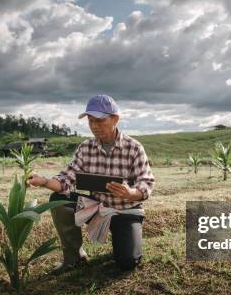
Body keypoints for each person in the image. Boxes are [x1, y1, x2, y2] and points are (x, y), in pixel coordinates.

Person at [26, 95, 155, 274]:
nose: (94, 126)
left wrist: (130, 193)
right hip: (96, 208)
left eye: (100, 121)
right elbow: (66, 180)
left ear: (115, 119)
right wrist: (44, 182)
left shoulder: (134, 147)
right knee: (58, 199)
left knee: (127, 262)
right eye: (91, 121)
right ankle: (75, 257)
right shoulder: (85, 148)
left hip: (125, 211)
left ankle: (124, 245)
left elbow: (146, 183)